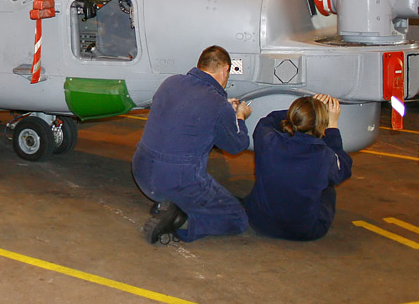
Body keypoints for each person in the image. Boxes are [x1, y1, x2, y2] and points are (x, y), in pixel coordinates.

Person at [132, 45, 252, 243]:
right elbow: (236, 145)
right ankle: (181, 221)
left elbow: (186, 114)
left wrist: (223, 111)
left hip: (142, 171)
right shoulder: (218, 105)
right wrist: (239, 117)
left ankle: (169, 204)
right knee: (236, 219)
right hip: (176, 180)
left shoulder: (170, 82)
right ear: (225, 70)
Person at [244, 94, 353, 241]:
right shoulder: (324, 156)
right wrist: (332, 125)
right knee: (328, 186)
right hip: (304, 232)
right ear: (322, 124)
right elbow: (344, 168)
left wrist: (303, 111)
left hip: (259, 223)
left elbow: (269, 120)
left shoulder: (268, 140)